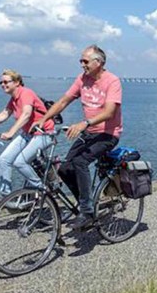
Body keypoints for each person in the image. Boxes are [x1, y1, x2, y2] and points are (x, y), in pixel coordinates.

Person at [32, 44, 122, 230]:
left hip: (107, 134)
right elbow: (64, 101)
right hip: (88, 133)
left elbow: (109, 112)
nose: (82, 64)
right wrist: (44, 119)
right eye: (80, 60)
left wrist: (85, 123)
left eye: (85, 61)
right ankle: (85, 203)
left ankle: (87, 213)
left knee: (80, 162)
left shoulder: (112, 81)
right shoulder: (82, 79)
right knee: (64, 169)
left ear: (98, 62)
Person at [0, 69, 55, 197]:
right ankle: (6, 198)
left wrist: (11, 132)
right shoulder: (14, 99)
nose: (2, 84)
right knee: (4, 159)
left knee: (20, 162)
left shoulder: (26, 93)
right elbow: (4, 114)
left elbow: (26, 114)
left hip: (44, 134)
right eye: (1, 82)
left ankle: (43, 190)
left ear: (17, 82)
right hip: (28, 134)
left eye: (6, 81)